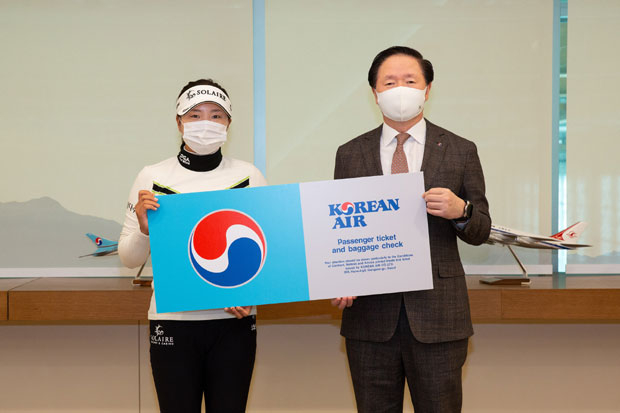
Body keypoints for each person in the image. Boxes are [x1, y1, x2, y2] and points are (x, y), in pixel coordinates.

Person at [331, 46, 491, 412]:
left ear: (427, 89)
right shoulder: (350, 153)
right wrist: (340, 278)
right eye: (389, 82)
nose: (400, 89)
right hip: (369, 317)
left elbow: (481, 229)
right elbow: (341, 230)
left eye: (410, 81)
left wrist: (460, 210)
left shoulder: (460, 150)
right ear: (375, 93)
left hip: (439, 316)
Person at [118, 78, 267, 413]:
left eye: (216, 115)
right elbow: (128, 258)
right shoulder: (152, 177)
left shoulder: (250, 176)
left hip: (234, 323)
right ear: (179, 122)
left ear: (228, 123)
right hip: (173, 322)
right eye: (195, 115)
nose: (206, 123)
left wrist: (252, 291)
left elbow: (267, 252)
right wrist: (144, 229)